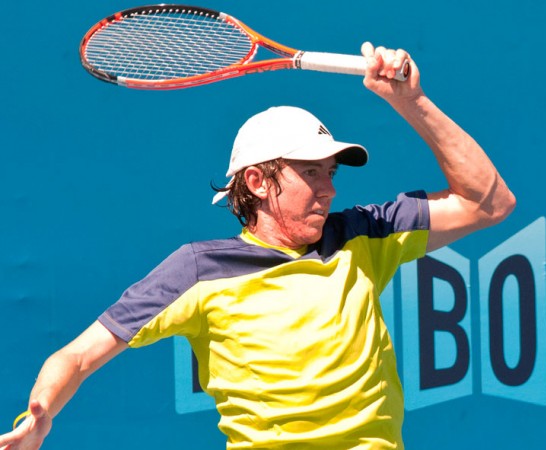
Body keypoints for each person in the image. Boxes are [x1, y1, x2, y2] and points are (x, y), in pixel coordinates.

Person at [0, 42, 515, 450]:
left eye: (330, 172)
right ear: (257, 182)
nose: (329, 189)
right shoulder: (198, 271)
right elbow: (77, 356)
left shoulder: (364, 234)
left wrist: (411, 101)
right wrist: (39, 416)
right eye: (310, 172)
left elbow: (489, 203)